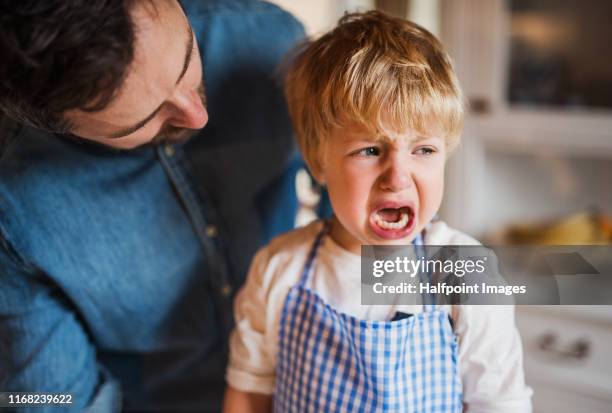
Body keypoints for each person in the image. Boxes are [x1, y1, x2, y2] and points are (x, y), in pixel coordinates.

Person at [0, 0, 305, 411]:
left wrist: (404, 333)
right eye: (141, 121)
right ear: (56, 122)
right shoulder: (14, 209)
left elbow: (371, 207)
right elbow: (50, 400)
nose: (197, 116)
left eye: (186, 61)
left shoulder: (270, 40)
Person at [223, 11, 533, 412]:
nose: (398, 177)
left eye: (423, 150)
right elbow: (247, 395)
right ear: (319, 162)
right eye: (369, 150)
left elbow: (499, 403)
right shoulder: (278, 269)